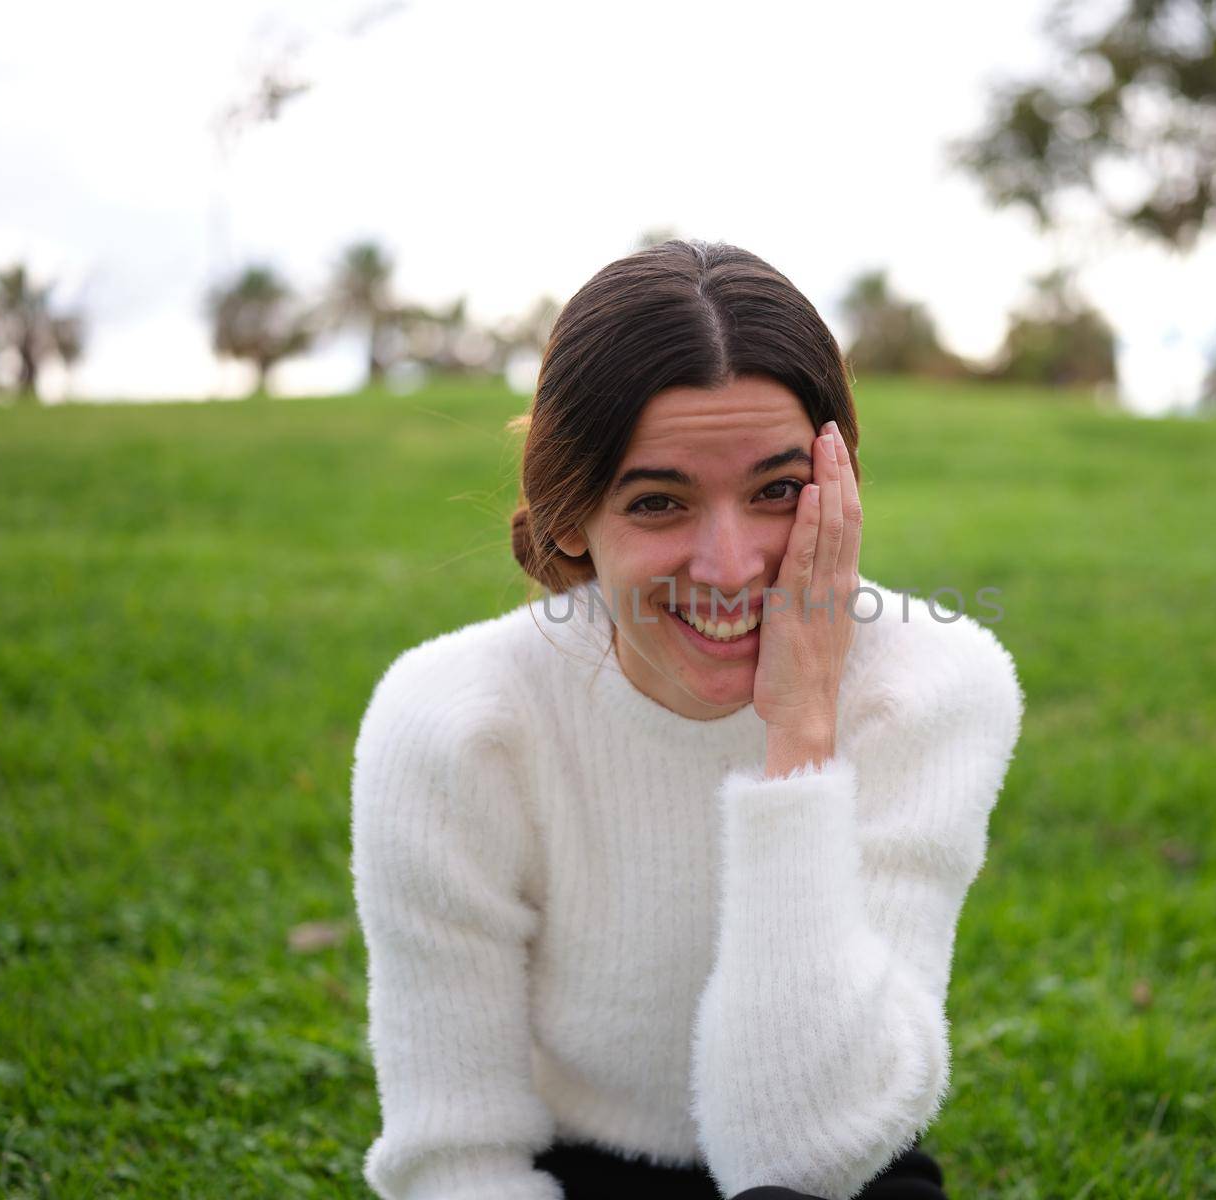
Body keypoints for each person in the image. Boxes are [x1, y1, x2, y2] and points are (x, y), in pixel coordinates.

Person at [349, 239, 1025, 1200]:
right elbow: (456, 1159)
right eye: (660, 501)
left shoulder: (936, 686)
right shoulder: (453, 721)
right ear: (568, 516)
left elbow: (808, 1154)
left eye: (778, 492)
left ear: (842, 486)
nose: (731, 564)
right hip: (575, 1172)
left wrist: (799, 739)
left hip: (835, 1148)